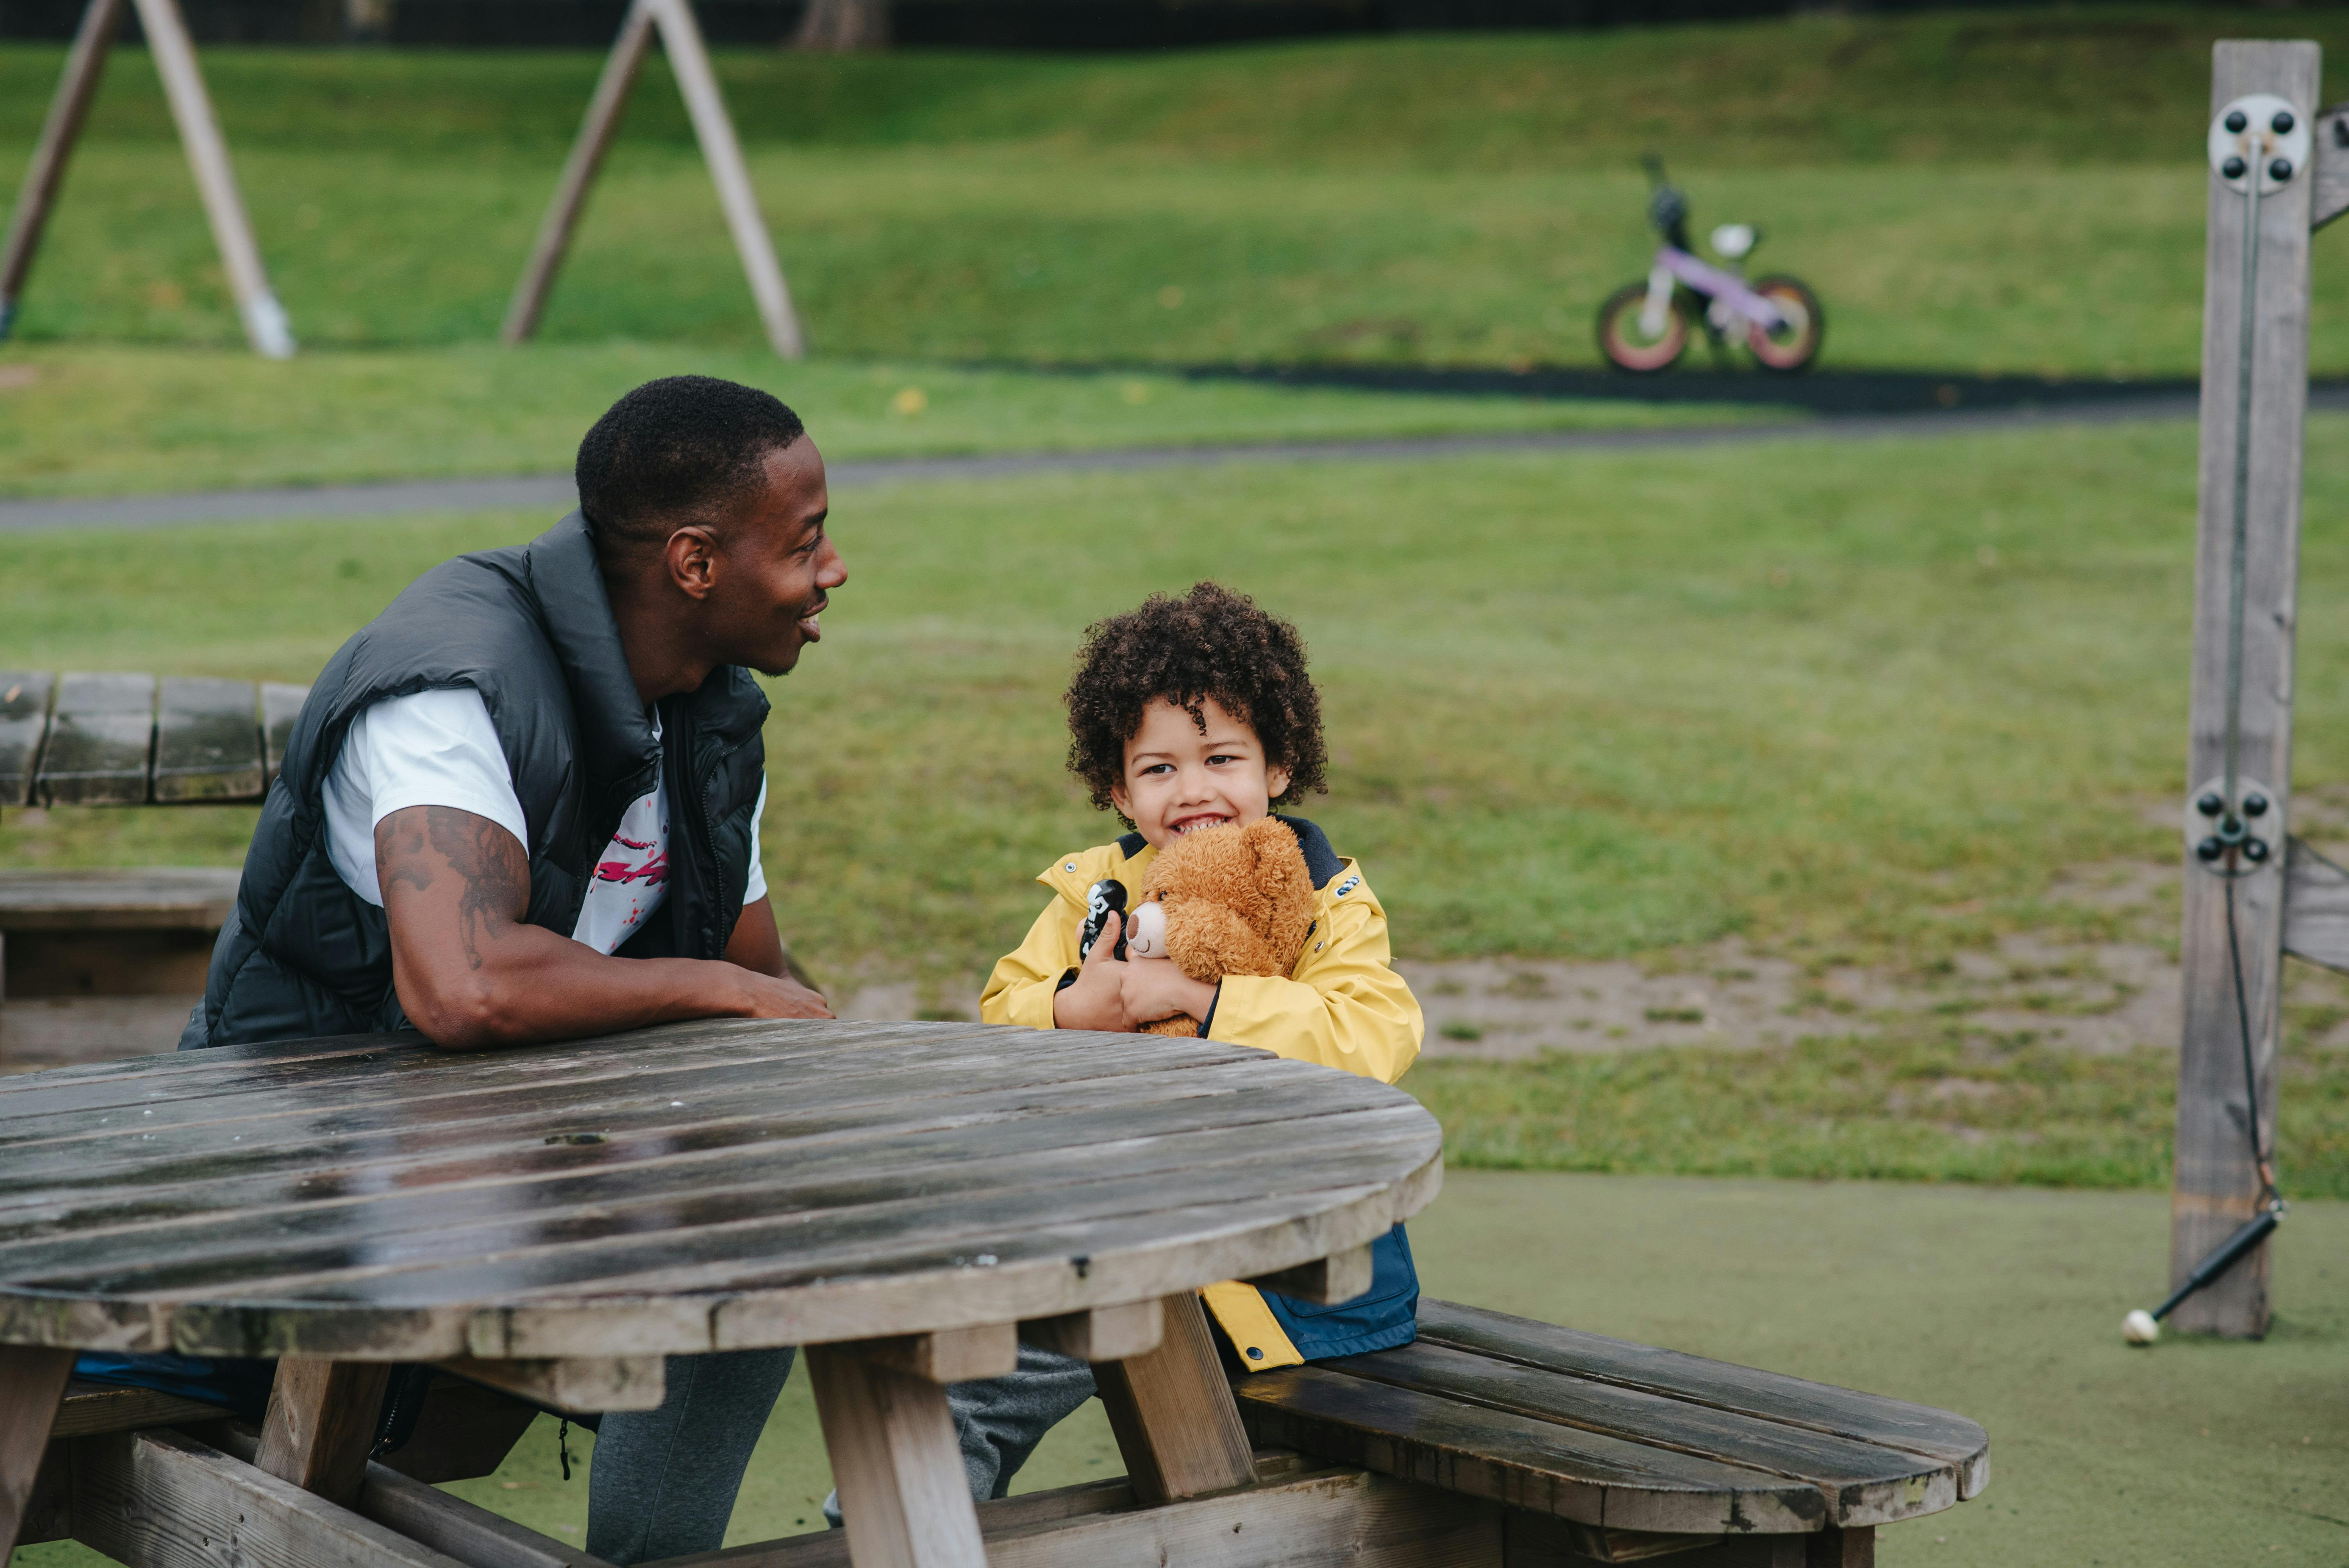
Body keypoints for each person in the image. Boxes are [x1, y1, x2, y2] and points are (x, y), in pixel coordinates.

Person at [73, 375, 842, 1565]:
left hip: (497, 1177)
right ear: (696, 563)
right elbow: (467, 983)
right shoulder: (450, 679)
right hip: (270, 1209)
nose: (832, 571)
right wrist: (724, 992)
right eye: (805, 544)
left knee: (758, 1222)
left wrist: (750, 1008)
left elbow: (770, 999)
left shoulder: (706, 709)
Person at [961, 579, 1426, 1506]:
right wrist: (1067, 1009)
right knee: (963, 1380)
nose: (1195, 791)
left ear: (1277, 767)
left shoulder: (1325, 898)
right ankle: (901, 1526)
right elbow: (999, 1011)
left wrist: (1200, 1001)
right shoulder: (1093, 895)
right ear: (1113, 785)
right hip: (1122, 1237)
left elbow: (1370, 1037)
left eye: (1221, 757)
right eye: (1159, 768)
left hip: (1295, 1280)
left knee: (1261, 1477)